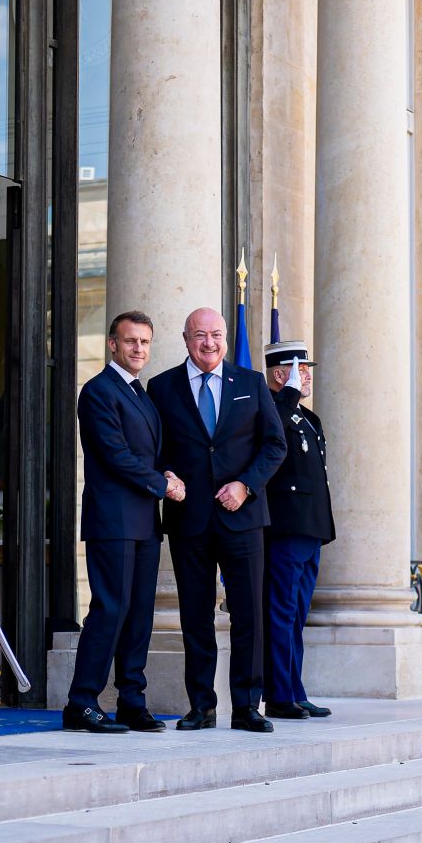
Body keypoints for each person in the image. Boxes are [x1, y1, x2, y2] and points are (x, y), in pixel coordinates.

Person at [148, 307, 287, 732]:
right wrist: (165, 474)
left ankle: (246, 706)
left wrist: (246, 485)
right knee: (195, 615)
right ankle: (201, 706)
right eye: (199, 335)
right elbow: (154, 448)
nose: (208, 343)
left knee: (248, 614)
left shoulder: (250, 383)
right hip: (189, 518)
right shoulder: (161, 387)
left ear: (225, 338)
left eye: (216, 335)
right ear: (185, 339)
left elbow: (274, 445)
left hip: (242, 517)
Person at [64, 311, 184, 733]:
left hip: (145, 521)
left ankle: (132, 700)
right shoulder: (98, 391)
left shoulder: (140, 393)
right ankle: (82, 702)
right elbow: (115, 454)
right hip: (112, 520)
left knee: (139, 614)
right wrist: (162, 484)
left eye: (145, 342)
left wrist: (166, 472)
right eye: (130, 341)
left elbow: (150, 452)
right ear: (112, 344)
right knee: (110, 610)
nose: (138, 349)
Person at [261, 337, 334, 720]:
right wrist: (288, 395)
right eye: (300, 370)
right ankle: (278, 694)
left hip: (309, 527)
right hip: (286, 527)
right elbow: (270, 437)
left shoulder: (307, 417)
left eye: (305, 371)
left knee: (297, 614)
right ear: (280, 374)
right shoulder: (272, 407)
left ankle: (295, 689)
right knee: (281, 611)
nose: (306, 377)